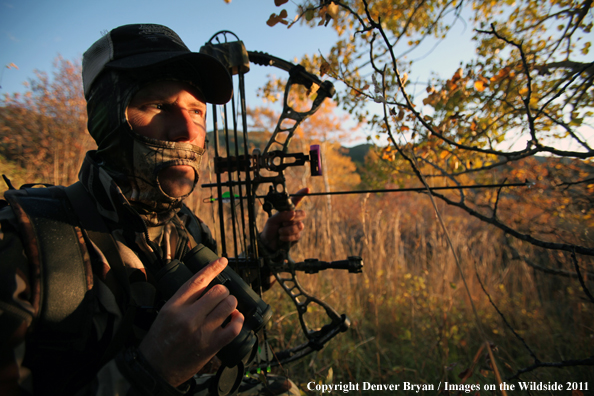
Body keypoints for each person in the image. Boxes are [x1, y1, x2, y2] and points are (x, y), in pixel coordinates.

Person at [0, 24, 306, 396]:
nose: (187, 130)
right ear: (106, 118)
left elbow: (221, 293)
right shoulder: (25, 238)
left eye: (197, 111)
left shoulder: (184, 227)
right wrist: (151, 370)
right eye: (158, 106)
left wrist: (270, 243)